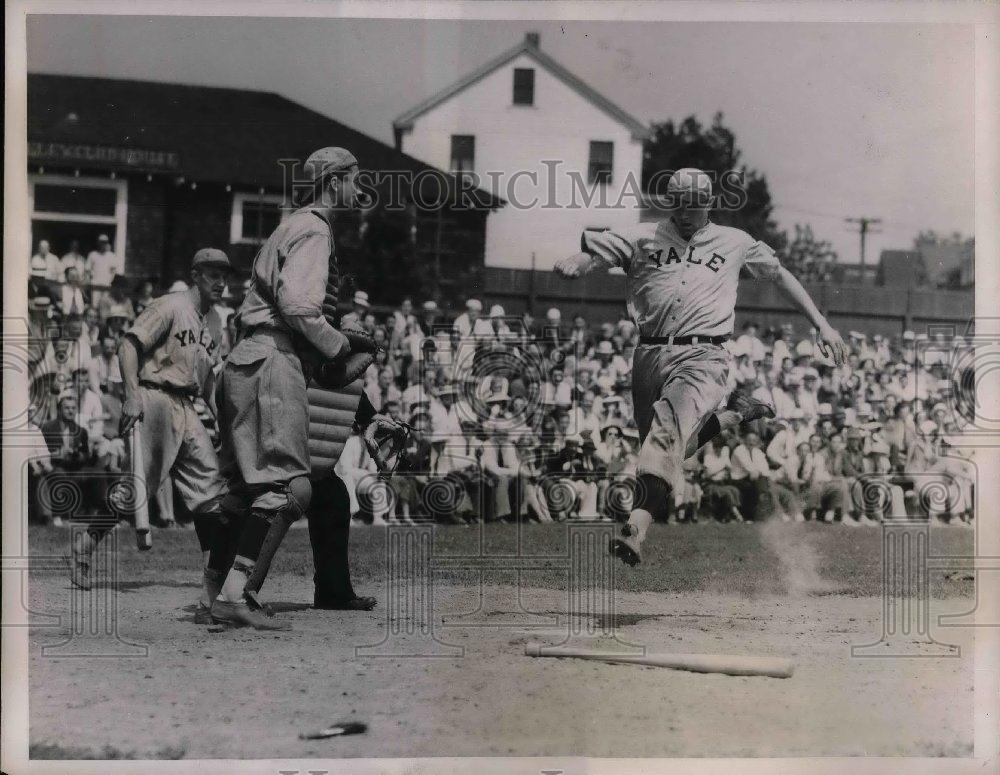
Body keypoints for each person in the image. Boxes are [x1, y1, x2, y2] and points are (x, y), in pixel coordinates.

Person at [556, 167, 847, 564]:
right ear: (669, 203)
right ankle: (732, 417)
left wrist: (823, 325)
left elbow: (780, 276)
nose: (687, 211)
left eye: (695, 203)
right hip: (648, 354)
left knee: (662, 439)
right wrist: (579, 260)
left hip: (703, 354)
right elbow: (599, 252)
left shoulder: (733, 241)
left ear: (709, 202)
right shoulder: (645, 234)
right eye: (679, 203)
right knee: (663, 451)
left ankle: (634, 531)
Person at [210, 147, 395, 630]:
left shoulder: (290, 225)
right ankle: (236, 594)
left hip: (249, 357)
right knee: (286, 486)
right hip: (272, 357)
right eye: (355, 180)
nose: (359, 190)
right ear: (335, 182)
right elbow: (298, 308)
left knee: (239, 489)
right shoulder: (315, 227)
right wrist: (340, 346)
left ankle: (216, 586)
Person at [100, 248, 234, 608]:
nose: (221, 281)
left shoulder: (216, 322)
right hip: (154, 395)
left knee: (209, 487)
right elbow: (128, 346)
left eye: (225, 275)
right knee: (136, 490)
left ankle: (213, 580)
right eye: (212, 274)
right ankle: (84, 546)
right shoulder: (170, 306)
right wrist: (130, 395)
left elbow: (206, 378)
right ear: (196, 274)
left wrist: (218, 417)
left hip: (186, 404)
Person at [86, 234, 123, 304]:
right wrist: (91, 279)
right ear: (98, 243)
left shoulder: (111, 256)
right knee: (95, 303)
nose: (103, 244)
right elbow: (87, 269)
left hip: (106, 284)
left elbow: (114, 270)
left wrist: (110, 281)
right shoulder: (93, 255)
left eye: (105, 242)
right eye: (101, 242)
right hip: (95, 284)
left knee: (105, 303)